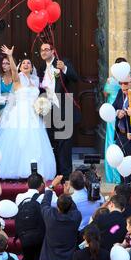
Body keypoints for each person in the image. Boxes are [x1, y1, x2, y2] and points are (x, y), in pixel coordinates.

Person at [0, 45, 56, 180]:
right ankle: (15, 168)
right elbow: (13, 70)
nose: (26, 64)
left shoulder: (36, 80)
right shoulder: (17, 78)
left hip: (33, 114)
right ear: (20, 67)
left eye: (29, 63)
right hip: (19, 113)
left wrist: (41, 105)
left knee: (35, 142)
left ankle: (34, 170)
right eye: (24, 63)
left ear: (32, 67)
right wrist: (9, 55)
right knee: (18, 140)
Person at [38, 43, 81, 178]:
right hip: (49, 111)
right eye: (42, 50)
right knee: (53, 143)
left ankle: (66, 175)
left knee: (65, 143)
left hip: (64, 108)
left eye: (46, 49)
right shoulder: (41, 68)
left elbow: (75, 78)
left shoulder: (62, 63)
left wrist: (65, 68)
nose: (44, 52)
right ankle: (55, 173)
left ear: (52, 51)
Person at [40, 175, 82, 260]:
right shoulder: (76, 217)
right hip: (68, 259)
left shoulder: (50, 215)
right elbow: (74, 208)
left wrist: (52, 186)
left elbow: (44, 203)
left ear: (57, 207)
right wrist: (67, 195)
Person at [14, 172, 45, 260]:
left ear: (27, 184)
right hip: (39, 234)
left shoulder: (19, 197)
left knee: (27, 258)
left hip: (23, 234)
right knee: (39, 258)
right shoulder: (43, 197)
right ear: (42, 185)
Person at [103, 58, 123, 184]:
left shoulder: (111, 81)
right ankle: (119, 176)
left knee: (111, 141)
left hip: (111, 112)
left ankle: (112, 176)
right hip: (122, 110)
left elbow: (105, 94)